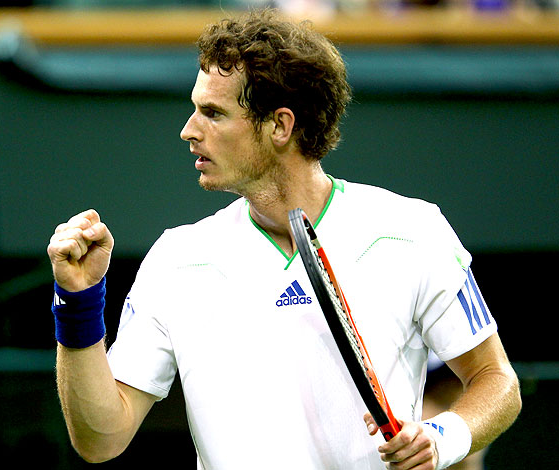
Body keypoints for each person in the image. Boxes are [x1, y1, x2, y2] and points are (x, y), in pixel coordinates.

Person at [47, 9, 521, 470]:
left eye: (213, 113)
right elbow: (100, 439)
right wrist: (78, 302)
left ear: (280, 125)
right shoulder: (176, 258)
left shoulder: (412, 231)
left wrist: (444, 437)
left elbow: (497, 380)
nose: (188, 130)